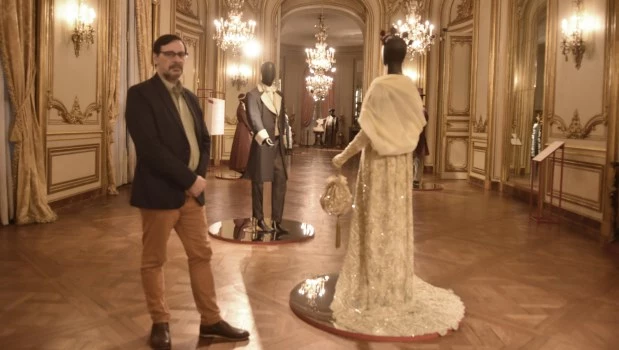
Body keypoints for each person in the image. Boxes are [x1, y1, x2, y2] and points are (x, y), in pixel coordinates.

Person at [330, 29, 464, 336]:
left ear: (383, 57)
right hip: (401, 169)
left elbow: (366, 134)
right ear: (403, 57)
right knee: (396, 224)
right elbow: (416, 128)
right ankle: (395, 283)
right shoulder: (411, 90)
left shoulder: (379, 87)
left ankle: (373, 284)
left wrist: (342, 157)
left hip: (377, 167)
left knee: (373, 222)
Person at [125, 34, 249, 349]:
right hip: (159, 193)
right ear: (155, 58)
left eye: (182, 54)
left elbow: (204, 141)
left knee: (202, 256)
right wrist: (189, 179)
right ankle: (160, 322)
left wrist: (198, 174)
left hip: (191, 195)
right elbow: (150, 148)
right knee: (154, 260)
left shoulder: (191, 98)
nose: (177, 60)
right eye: (170, 54)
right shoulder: (141, 95)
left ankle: (210, 321)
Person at [242, 61, 289, 234]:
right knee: (259, 182)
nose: (271, 75)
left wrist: (284, 139)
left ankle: (277, 220)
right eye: (267, 72)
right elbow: (254, 117)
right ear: (262, 74)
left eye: (273, 72)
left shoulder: (279, 94)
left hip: (278, 144)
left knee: (281, 180)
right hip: (263, 143)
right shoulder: (253, 95)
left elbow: (282, 119)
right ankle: (259, 218)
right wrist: (263, 137)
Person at [229, 93, 252, 174]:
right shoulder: (241, 108)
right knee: (244, 147)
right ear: (243, 99)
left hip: (241, 128)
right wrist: (251, 129)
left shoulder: (242, 107)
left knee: (242, 147)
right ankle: (242, 166)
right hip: (243, 129)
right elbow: (245, 120)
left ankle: (243, 167)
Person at [413, 98, 429, 188]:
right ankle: (415, 179)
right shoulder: (421, 111)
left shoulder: (422, 111)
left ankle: (416, 179)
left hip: (417, 138)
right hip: (415, 138)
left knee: (418, 160)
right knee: (416, 160)